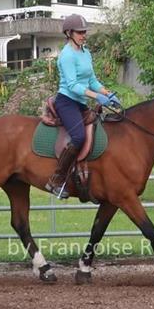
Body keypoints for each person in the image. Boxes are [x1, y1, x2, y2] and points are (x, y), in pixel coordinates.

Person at [46, 13, 121, 198]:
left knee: (99, 129)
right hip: (66, 102)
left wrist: (106, 93)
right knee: (79, 137)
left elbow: (92, 80)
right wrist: (96, 96)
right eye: (80, 32)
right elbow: (72, 85)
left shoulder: (86, 52)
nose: (83, 35)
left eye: (84, 32)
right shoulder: (67, 56)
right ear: (69, 33)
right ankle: (56, 180)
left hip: (80, 102)